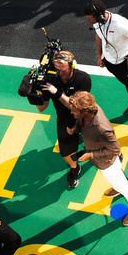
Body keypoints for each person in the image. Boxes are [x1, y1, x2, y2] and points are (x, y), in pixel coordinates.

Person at [65, 91, 128, 226]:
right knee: (116, 180)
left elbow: (115, 150)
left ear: (85, 110)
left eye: (74, 111)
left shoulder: (102, 128)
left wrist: (90, 155)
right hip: (101, 158)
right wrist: (73, 127)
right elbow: (80, 123)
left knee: (123, 185)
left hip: (107, 162)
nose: (72, 113)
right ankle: (118, 187)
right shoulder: (90, 109)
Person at [84, 0, 128, 148]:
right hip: (111, 64)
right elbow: (98, 35)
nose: (88, 21)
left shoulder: (120, 24)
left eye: (90, 18)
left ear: (99, 15)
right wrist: (100, 54)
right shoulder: (98, 22)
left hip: (126, 65)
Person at [25, 51, 93, 186]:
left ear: (72, 65)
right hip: (64, 118)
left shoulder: (83, 79)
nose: (58, 72)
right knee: (65, 152)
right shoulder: (50, 79)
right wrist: (34, 93)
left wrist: (55, 92)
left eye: (62, 68)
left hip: (84, 114)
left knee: (98, 139)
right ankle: (74, 167)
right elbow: (42, 108)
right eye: (56, 67)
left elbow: (76, 105)